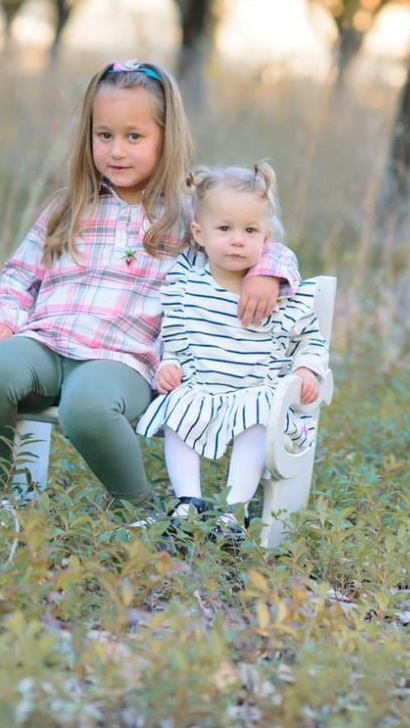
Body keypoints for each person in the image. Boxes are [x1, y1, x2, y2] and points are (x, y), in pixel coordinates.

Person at [0, 60, 300, 517]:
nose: (117, 151)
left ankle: (143, 513)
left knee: (88, 407)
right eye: (105, 136)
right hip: (46, 343)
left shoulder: (187, 214)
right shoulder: (70, 206)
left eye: (134, 137)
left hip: (124, 360)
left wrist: (268, 271)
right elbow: (20, 275)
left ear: (166, 137)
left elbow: (254, 234)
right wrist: (0, 318)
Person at [134, 161, 329, 544]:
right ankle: (187, 502)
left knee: (259, 421)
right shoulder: (187, 281)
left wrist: (307, 369)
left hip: (256, 390)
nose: (237, 239)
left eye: (250, 230)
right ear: (199, 233)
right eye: (225, 229)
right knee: (177, 409)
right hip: (203, 387)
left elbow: (310, 337)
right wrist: (169, 363)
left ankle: (233, 512)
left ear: (266, 237)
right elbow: (171, 332)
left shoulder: (280, 291)